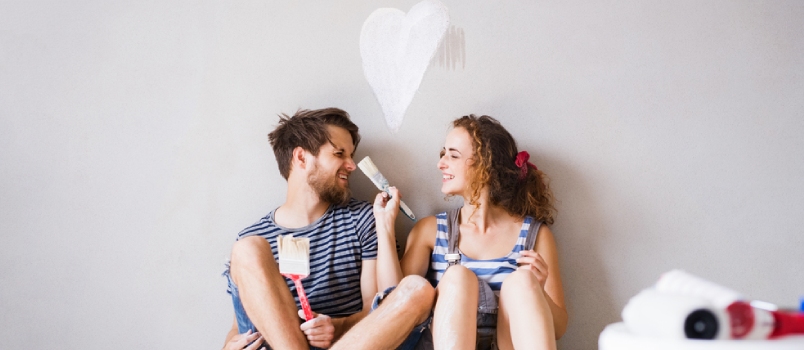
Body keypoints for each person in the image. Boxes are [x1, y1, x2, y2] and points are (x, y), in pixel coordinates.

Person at [222, 108, 434, 350]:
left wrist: (337, 326)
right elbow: (238, 329)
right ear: (301, 157)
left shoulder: (362, 219)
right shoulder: (252, 240)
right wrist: (229, 347)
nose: (351, 165)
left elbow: (379, 309)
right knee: (248, 248)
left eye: (351, 155)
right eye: (339, 153)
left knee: (417, 289)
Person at [374, 114, 568, 350]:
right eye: (443, 154)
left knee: (523, 281)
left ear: (486, 166)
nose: (441, 163)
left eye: (453, 155)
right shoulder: (431, 231)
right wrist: (384, 226)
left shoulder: (534, 236)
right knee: (457, 277)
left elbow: (558, 329)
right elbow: (393, 309)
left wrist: (540, 291)